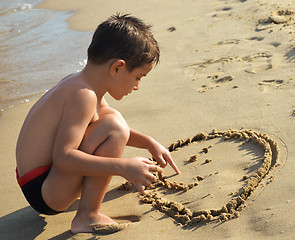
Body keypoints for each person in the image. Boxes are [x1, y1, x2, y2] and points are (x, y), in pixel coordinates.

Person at [15, 13, 180, 234]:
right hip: (45, 191)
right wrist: (123, 167)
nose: (137, 86)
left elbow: (104, 125)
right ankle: (87, 215)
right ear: (117, 68)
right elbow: (64, 158)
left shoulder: (81, 83)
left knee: (110, 119)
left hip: (38, 182)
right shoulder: (84, 96)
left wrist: (149, 143)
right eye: (139, 77)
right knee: (114, 126)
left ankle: (87, 194)